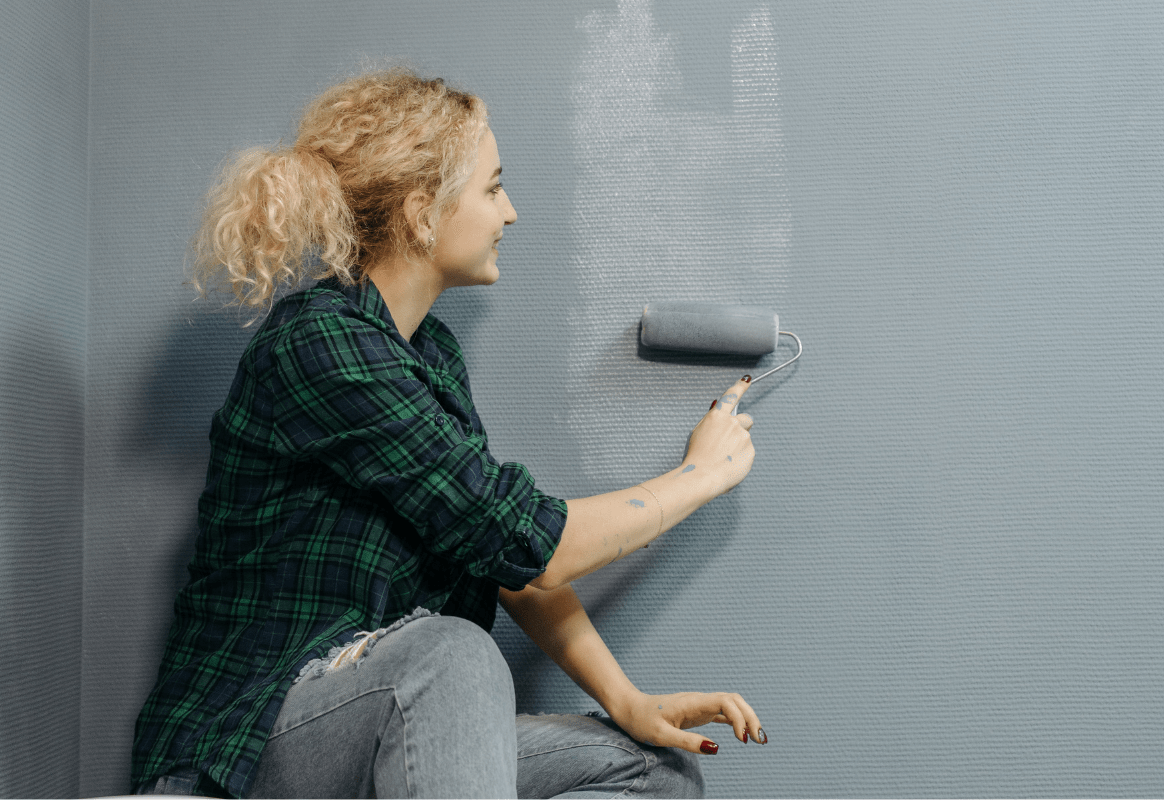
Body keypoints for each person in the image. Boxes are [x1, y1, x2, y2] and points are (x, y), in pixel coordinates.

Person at [132, 67, 765, 799]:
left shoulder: (428, 356)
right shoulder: (319, 345)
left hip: (389, 724)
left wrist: (628, 702)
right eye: (493, 188)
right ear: (422, 214)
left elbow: (500, 556)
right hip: (252, 741)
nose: (512, 213)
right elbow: (540, 545)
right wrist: (700, 475)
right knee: (450, 653)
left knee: (655, 770)